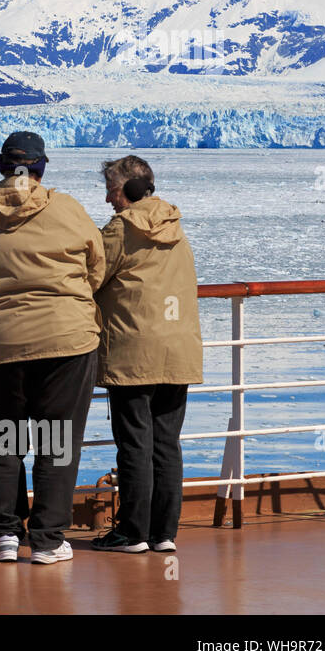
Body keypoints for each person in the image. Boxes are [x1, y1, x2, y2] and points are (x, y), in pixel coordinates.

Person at [0, 132, 105, 565]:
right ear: (41, 167)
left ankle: (2, 536)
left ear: (3, 166)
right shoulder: (68, 209)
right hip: (66, 340)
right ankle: (48, 540)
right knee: (57, 440)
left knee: (3, 437)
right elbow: (98, 266)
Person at [91, 156, 202, 554]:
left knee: (135, 443)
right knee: (166, 443)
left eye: (113, 189)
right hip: (177, 350)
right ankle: (164, 533)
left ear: (133, 191)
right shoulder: (176, 225)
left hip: (133, 352)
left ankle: (132, 532)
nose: (108, 198)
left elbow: (91, 275)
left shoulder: (121, 228)